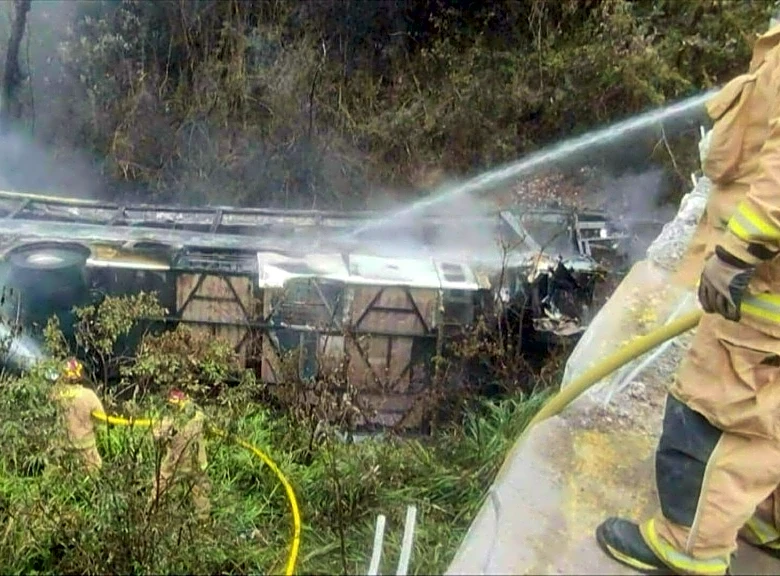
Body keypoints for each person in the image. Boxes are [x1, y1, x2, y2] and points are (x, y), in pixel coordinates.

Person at [595, 22, 780, 576]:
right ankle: (767, 519)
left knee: (715, 412)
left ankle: (688, 545)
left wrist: (736, 254)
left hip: (761, 291)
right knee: (769, 415)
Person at [149, 388, 211, 521]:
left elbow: (158, 436)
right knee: (200, 491)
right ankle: (204, 520)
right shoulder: (199, 415)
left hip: (177, 462)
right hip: (196, 461)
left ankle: (152, 513)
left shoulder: (171, 419)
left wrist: (158, 430)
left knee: (161, 486)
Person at [50, 357, 105, 474]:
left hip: (62, 447)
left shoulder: (55, 395)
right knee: (94, 469)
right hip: (86, 448)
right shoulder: (89, 395)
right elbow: (102, 419)